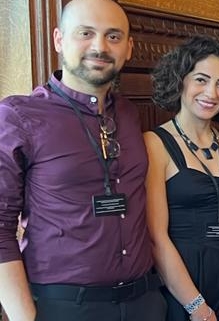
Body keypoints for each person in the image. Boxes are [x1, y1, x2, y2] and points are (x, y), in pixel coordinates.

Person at [0, 0, 166, 320]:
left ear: (129, 48)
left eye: (113, 36)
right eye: (85, 33)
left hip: (144, 301)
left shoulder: (129, 114)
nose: (99, 46)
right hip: (63, 307)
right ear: (59, 40)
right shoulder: (19, 116)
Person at [144, 36, 219, 321]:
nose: (212, 93)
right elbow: (156, 237)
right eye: (201, 80)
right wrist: (196, 307)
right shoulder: (154, 144)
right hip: (180, 288)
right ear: (181, 80)